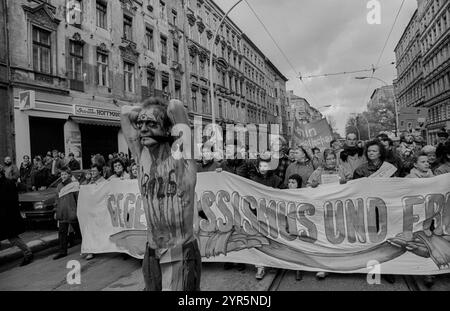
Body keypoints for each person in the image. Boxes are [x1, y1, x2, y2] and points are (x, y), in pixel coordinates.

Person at [121, 98, 200, 291]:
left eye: (151, 124)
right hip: (152, 252)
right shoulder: (141, 155)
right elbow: (125, 112)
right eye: (140, 124)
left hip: (181, 251)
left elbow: (175, 106)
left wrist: (160, 111)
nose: (143, 129)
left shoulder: (182, 156)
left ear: (167, 129)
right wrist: (146, 112)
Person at [353, 140, 397, 284]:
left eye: (374, 151)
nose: (371, 153)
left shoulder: (390, 168)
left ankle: (388, 269)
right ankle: (373, 267)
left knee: (387, 240)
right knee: (372, 239)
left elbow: (399, 185)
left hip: (387, 207)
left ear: (381, 153)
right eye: (369, 151)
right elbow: (355, 190)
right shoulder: (360, 170)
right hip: (369, 208)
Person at [306, 149, 346, 280]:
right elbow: (307, 187)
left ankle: (340, 265)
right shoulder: (317, 172)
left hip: (340, 210)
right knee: (324, 239)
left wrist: (346, 183)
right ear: (324, 160)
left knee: (339, 237)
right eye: (328, 159)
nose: (331, 161)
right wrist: (313, 186)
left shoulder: (342, 169)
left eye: (333, 158)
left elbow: (354, 185)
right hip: (323, 211)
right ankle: (323, 267)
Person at [404, 152, 435, 287]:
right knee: (419, 243)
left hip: (431, 216)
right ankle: (421, 270)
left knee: (431, 242)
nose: (427, 163)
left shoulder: (435, 178)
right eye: (423, 161)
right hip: (415, 216)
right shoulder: (408, 178)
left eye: (427, 161)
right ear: (415, 164)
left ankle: (430, 272)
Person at [250, 157, 282, 281]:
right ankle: (260, 266)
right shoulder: (253, 180)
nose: (263, 169)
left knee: (273, 240)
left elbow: (284, 193)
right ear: (257, 167)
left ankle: (274, 263)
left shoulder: (276, 179)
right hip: (258, 215)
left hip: (273, 214)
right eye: (261, 166)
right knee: (259, 241)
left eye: (265, 166)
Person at [0, 165, 34, 266]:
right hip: (3, 215)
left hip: (8, 216)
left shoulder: (8, 183)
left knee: (12, 237)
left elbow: (13, 201)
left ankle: (28, 253)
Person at [53, 167, 81, 260]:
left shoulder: (74, 185)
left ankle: (88, 247)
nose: (63, 176)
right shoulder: (59, 186)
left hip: (72, 212)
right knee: (62, 233)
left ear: (69, 174)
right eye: (62, 175)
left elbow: (78, 199)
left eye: (65, 174)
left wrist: (78, 211)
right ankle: (62, 251)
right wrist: (56, 210)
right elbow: (57, 200)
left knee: (79, 232)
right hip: (62, 213)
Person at [286, 174, 304, 281]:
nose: (290, 184)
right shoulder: (284, 194)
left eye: (293, 182)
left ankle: (298, 268)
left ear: (298, 184)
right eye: (289, 182)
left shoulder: (303, 195)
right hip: (288, 224)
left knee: (299, 247)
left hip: (299, 225)